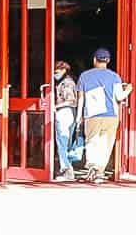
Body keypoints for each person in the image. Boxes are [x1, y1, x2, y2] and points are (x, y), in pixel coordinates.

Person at [75, 49, 131, 183]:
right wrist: (128, 90)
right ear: (108, 61)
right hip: (111, 115)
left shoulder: (84, 76)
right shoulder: (114, 76)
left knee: (92, 142)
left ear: (94, 60)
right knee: (106, 144)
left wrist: (78, 117)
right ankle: (99, 172)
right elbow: (119, 97)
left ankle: (92, 167)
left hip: (92, 115)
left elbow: (81, 98)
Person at [51, 59, 80, 181]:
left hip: (65, 112)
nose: (54, 74)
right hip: (69, 114)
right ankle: (69, 170)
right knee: (66, 143)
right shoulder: (67, 82)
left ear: (63, 70)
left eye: (56, 71)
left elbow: (71, 100)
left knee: (62, 142)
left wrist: (55, 106)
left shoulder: (66, 83)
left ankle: (66, 171)